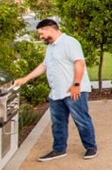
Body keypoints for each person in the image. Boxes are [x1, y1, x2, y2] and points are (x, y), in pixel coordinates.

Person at [14, 19, 98, 161]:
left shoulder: (70, 43)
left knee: (82, 120)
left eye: (41, 34)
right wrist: (25, 78)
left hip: (73, 91)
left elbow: (79, 63)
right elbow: (44, 66)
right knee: (58, 123)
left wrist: (76, 85)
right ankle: (59, 149)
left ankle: (91, 147)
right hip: (56, 92)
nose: (40, 37)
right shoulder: (51, 47)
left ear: (50, 29)